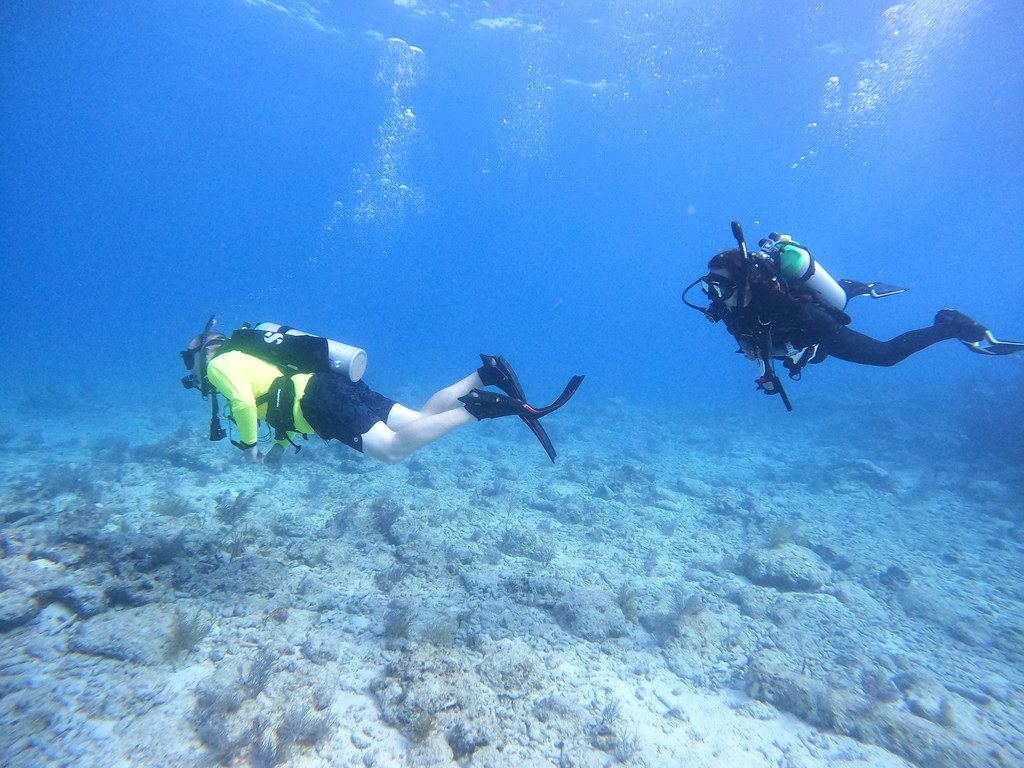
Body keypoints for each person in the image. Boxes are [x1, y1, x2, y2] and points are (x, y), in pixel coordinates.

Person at [681, 222, 1023, 410]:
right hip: (793, 336)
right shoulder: (729, 305)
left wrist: (797, 354)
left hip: (813, 327)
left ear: (746, 283)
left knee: (885, 356)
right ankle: (854, 287)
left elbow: (837, 323)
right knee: (823, 331)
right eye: (709, 285)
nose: (713, 294)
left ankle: (951, 327)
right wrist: (767, 372)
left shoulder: (788, 306)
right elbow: (753, 341)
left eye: (719, 285)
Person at [181, 318, 583, 466]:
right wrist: (278, 449)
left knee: (392, 450)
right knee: (420, 421)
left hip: (318, 401)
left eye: (189, 358)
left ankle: (483, 409)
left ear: (204, 350)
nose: (191, 370)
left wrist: (249, 444)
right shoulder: (251, 359)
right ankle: (485, 374)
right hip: (327, 388)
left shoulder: (221, 364)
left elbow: (244, 402)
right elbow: (274, 402)